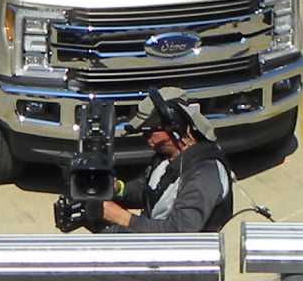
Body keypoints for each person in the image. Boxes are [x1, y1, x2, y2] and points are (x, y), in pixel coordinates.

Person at [96, 88, 233, 234]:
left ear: (175, 127)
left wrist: (123, 218)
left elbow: (181, 231)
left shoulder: (204, 173)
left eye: (149, 132)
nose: (146, 139)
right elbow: (150, 190)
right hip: (156, 242)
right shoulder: (167, 156)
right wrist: (117, 189)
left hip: (179, 251)